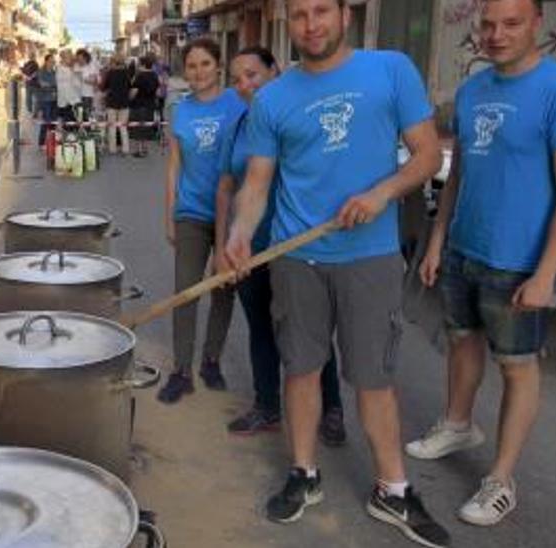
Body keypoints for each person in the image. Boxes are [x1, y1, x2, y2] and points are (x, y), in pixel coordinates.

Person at [221, 0, 449, 545]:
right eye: (299, 15)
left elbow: (426, 157)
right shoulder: (273, 98)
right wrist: (239, 232)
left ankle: (392, 490)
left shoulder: (390, 69)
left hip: (369, 256)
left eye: (322, 10)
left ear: (345, 15)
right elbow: (257, 181)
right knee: (300, 369)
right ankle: (305, 475)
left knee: (373, 376)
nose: (311, 24)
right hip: (297, 257)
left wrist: (380, 193)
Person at [407, 0, 556, 527]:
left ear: (537, 23)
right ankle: (459, 423)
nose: (496, 35)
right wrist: (438, 240)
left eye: (511, 23)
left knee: (517, 366)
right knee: (460, 339)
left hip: (519, 260)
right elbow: (459, 175)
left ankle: (501, 478)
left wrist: (545, 272)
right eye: (487, 24)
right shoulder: (472, 91)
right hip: (466, 247)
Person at [217, 46, 347, 445]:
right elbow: (226, 187)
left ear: (275, 71)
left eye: (252, 75)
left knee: (310, 335)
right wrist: (224, 245)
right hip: (250, 247)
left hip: (297, 245)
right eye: (237, 79)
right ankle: (267, 406)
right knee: (260, 328)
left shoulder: (301, 117)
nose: (245, 85)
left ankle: (332, 409)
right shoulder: (239, 127)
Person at [155, 38, 245, 404]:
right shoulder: (181, 110)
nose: (198, 72)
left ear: (218, 66)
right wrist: (169, 214)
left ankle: (212, 359)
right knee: (185, 292)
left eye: (205, 64)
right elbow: (174, 166)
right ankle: (181, 370)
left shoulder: (238, 105)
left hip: (233, 212)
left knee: (224, 289)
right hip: (191, 212)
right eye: (192, 66)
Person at [128, 54, 160, 158]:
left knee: (137, 128)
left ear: (142, 64)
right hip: (150, 105)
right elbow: (158, 92)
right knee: (146, 127)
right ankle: (145, 149)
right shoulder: (155, 75)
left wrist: (129, 99)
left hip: (139, 105)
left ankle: (138, 150)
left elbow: (134, 92)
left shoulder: (139, 76)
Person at [102, 54, 133, 156]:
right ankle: (125, 148)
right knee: (123, 127)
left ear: (113, 62)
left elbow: (103, 87)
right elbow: (130, 87)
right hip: (124, 103)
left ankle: (113, 149)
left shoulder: (110, 73)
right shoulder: (127, 73)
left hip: (112, 103)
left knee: (112, 127)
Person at [35, 53, 58, 146]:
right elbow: (42, 84)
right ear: (46, 61)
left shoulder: (54, 72)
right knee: (46, 122)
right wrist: (52, 86)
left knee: (53, 122)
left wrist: (51, 86)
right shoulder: (41, 72)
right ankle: (42, 143)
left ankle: (52, 142)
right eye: (51, 61)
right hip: (45, 100)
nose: (52, 63)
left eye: (53, 61)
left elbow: (56, 85)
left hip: (54, 99)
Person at [55, 50, 80, 125]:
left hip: (74, 101)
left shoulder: (73, 69)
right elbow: (62, 87)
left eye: (71, 57)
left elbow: (78, 84)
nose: (71, 59)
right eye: (69, 57)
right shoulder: (59, 69)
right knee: (64, 125)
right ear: (63, 58)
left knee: (74, 125)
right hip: (65, 102)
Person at [75, 49, 97, 120]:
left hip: (87, 95)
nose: (79, 60)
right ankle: (81, 129)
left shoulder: (91, 67)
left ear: (86, 58)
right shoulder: (76, 66)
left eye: (81, 58)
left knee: (87, 114)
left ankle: (88, 129)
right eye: (78, 58)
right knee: (79, 115)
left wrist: (83, 78)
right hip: (77, 95)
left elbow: (94, 81)